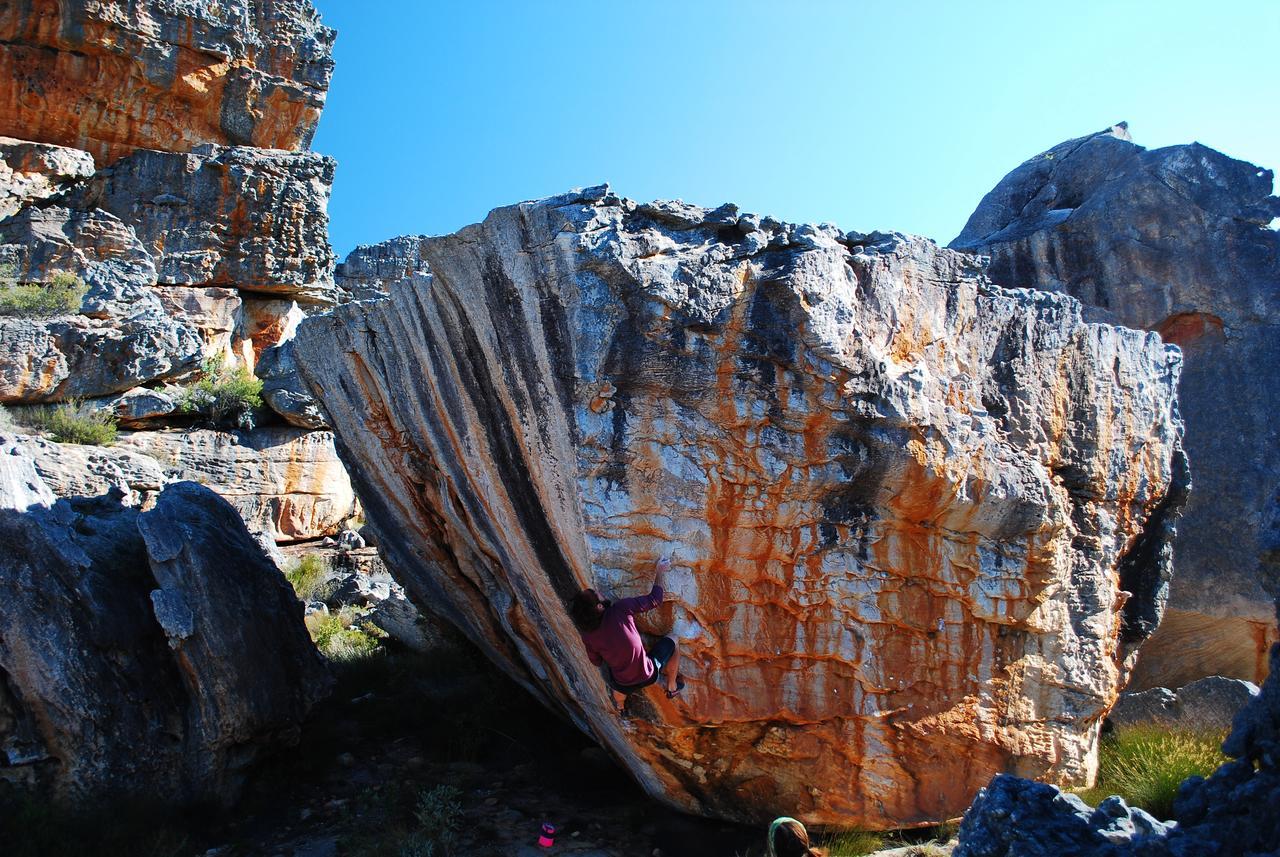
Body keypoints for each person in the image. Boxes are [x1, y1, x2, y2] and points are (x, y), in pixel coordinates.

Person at [570, 556, 684, 712]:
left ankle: (620, 707)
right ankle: (672, 685)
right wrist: (659, 572)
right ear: (599, 607)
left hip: (622, 682)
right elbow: (655, 599)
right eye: (598, 594)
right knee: (674, 639)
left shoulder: (588, 636)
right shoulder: (620, 609)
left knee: (618, 687)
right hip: (647, 674)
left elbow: (596, 662)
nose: (601, 592)